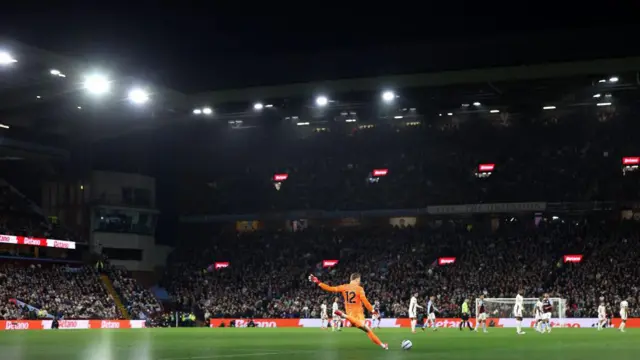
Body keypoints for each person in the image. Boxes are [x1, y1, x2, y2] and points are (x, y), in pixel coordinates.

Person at [309, 273, 388, 350]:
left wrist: (318, 282)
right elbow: (365, 302)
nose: (359, 282)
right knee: (368, 330)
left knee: (368, 330)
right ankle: (343, 315)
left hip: (350, 315)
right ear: (357, 279)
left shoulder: (344, 287)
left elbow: (330, 288)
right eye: (359, 280)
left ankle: (383, 345)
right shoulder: (359, 289)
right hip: (358, 315)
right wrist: (374, 311)